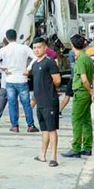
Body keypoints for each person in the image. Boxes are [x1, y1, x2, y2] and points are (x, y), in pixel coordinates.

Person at [0, 29, 38, 133]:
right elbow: (35, 57)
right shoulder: (24, 48)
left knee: (12, 103)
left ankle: (14, 126)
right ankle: (30, 125)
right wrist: (28, 68)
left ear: (7, 38)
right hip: (22, 79)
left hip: (10, 79)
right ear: (16, 37)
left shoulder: (4, 50)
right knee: (26, 103)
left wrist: (3, 69)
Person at [62, 34, 94, 158]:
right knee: (86, 120)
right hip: (85, 93)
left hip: (80, 92)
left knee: (76, 121)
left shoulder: (80, 59)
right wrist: (92, 91)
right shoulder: (88, 58)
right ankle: (87, 147)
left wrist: (90, 90)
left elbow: (84, 79)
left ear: (72, 45)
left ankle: (76, 148)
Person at [31, 37, 61, 167]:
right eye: (34, 48)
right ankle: (42, 155)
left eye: (39, 47)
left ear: (45, 48)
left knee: (52, 129)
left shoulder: (50, 63)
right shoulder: (35, 64)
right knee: (44, 130)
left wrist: (49, 86)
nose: (36, 50)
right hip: (40, 102)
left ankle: (53, 157)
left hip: (50, 101)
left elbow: (57, 80)